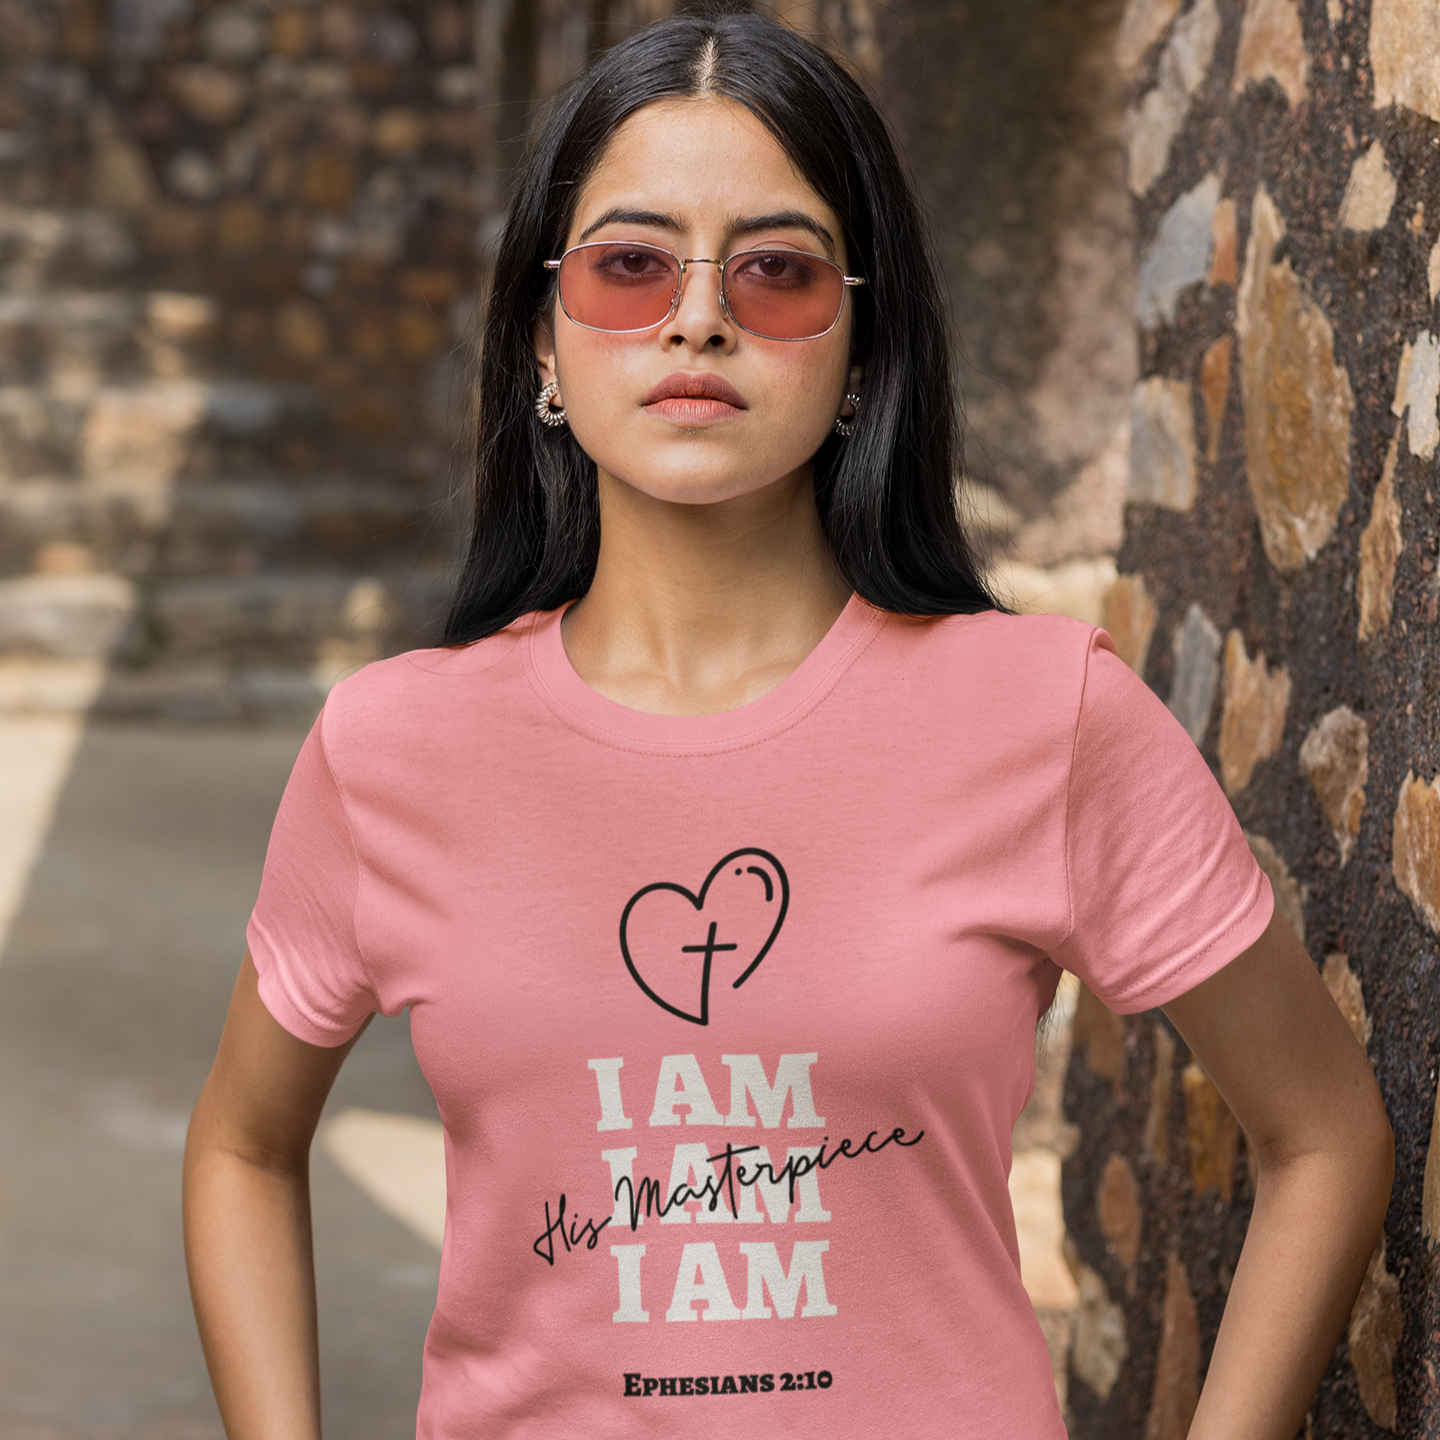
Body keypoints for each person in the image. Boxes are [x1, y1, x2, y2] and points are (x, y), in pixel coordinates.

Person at [182, 13, 1393, 1439]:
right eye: (629, 266)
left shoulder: (1044, 714)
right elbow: (242, 1150)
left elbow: (1326, 1137)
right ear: (542, 348)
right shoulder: (394, 749)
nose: (699, 316)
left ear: (865, 353)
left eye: (777, 272)